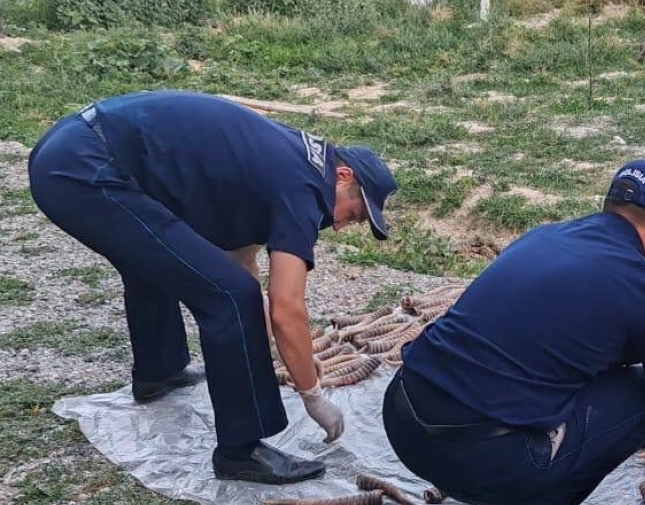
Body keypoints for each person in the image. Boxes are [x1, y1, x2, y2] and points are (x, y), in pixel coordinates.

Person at [28, 90, 398, 485]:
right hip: (84, 170)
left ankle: (159, 371)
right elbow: (286, 307)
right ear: (344, 176)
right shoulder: (305, 189)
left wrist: (281, 348)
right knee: (230, 297)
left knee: (162, 259)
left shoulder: (297, 161)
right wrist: (312, 393)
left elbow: (241, 261)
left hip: (70, 147)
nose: (340, 226)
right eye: (353, 214)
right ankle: (240, 450)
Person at [382, 159, 645, 505]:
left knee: (548, 369)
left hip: (404, 419)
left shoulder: (544, 237)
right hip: (473, 458)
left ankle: (498, 498)